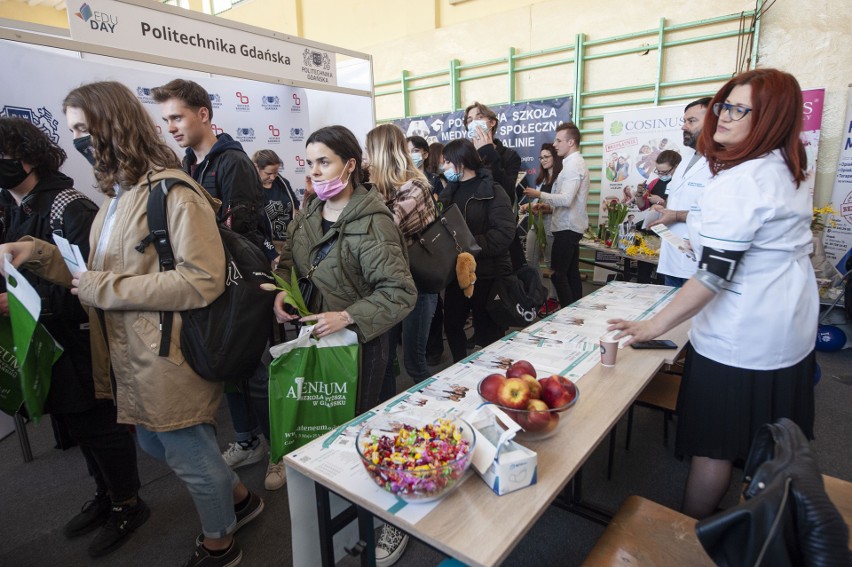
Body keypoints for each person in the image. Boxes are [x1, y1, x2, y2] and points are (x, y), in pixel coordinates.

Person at [0, 81, 264, 567]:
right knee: (155, 440)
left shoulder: (172, 192)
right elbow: (92, 274)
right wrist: (37, 254)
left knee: (187, 451)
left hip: (169, 352)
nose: (77, 141)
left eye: (83, 129)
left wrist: (107, 289)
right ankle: (241, 500)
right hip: (133, 353)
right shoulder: (119, 197)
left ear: (110, 126)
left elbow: (201, 280)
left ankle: (220, 543)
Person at [608, 69, 817, 520]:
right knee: (767, 442)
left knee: (714, 446)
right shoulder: (790, 164)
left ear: (771, 118)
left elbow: (715, 275)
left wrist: (652, 326)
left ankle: (693, 537)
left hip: (741, 339)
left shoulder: (744, 179)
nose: (723, 117)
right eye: (725, 105)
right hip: (788, 328)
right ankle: (755, 523)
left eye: (739, 109)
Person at [0, 117, 144, 558]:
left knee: (100, 424)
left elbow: (89, 284)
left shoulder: (67, 205)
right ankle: (106, 495)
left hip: (80, 338)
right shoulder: (16, 206)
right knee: (76, 425)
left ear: (25, 157)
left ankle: (128, 503)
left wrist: (23, 304)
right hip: (47, 341)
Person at [152, 79, 278, 486]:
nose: (171, 126)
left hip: (242, 284)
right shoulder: (190, 164)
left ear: (203, 114)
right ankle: (247, 440)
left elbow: (238, 230)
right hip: (209, 284)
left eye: (177, 116)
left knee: (256, 370)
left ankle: (281, 448)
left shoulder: (233, 162)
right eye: (166, 119)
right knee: (226, 367)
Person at [272, 124, 416, 414]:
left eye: (324, 162)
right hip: (314, 334)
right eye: (310, 163)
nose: (314, 171)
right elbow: (290, 259)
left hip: (358, 344)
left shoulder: (375, 223)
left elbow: (399, 292)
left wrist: (347, 316)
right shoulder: (310, 212)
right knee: (319, 417)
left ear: (350, 165)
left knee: (352, 420)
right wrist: (282, 290)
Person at [366, 124, 437, 393]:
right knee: (384, 361)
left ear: (381, 153)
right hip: (388, 284)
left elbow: (385, 228)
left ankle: (439, 420)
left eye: (369, 151)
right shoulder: (377, 188)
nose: (366, 158)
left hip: (418, 281)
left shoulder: (415, 187)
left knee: (414, 362)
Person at [438, 139, 515, 362]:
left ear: (461, 161)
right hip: (457, 275)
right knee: (452, 325)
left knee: (488, 332)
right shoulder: (448, 194)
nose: (444, 167)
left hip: (487, 274)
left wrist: (468, 245)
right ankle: (459, 365)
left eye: (447, 162)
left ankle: (490, 374)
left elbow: (504, 233)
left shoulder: (492, 190)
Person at [524, 122, 590, 309]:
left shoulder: (573, 166)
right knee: (570, 274)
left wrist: (539, 195)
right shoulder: (572, 164)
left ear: (571, 142)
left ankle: (567, 313)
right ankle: (574, 310)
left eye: (559, 140)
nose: (555, 144)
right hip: (568, 225)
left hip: (567, 227)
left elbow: (566, 199)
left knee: (558, 274)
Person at [653, 97, 713, 287]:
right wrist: (664, 210)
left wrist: (677, 215)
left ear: (713, 122)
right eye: (684, 121)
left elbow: (719, 213)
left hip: (699, 264)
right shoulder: (685, 161)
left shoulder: (722, 164)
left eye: (691, 121)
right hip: (672, 258)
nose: (684, 127)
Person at [519, 143, 562, 307]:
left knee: (551, 264)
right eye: (541, 157)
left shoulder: (561, 178)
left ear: (555, 158)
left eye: (546, 157)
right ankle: (538, 293)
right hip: (536, 224)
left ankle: (553, 298)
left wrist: (545, 207)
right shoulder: (541, 179)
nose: (543, 160)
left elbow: (561, 203)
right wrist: (529, 207)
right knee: (530, 260)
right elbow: (538, 201)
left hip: (551, 224)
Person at [462, 102, 521, 202]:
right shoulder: (465, 154)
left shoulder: (510, 155)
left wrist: (488, 151)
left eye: (479, 117)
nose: (474, 123)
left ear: (492, 122)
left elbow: (508, 190)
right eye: (470, 120)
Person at [253, 149, 299, 258]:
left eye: (276, 172)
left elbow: (295, 208)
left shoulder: (282, 183)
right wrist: (272, 254)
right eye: (268, 173)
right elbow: (255, 228)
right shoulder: (251, 189)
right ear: (256, 167)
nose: (273, 177)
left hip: (289, 244)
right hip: (267, 248)